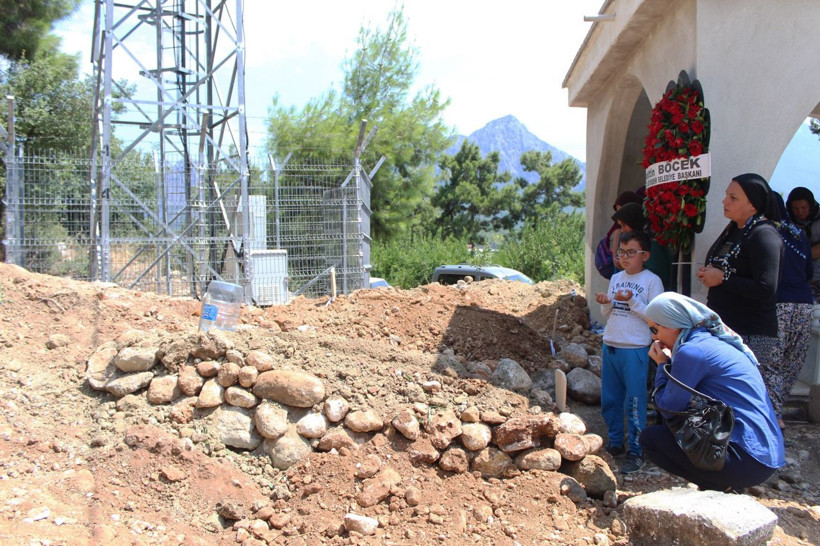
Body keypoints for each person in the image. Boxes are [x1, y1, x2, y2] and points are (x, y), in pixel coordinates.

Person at [640, 292, 785, 492]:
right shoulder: (712, 342)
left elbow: (667, 408)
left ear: (672, 325)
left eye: (654, 329)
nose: (654, 337)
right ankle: (724, 486)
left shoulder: (692, 351)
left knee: (651, 440)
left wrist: (662, 365)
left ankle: (721, 488)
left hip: (748, 458)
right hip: (766, 453)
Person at [595, 230, 664, 474]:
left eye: (631, 252)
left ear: (645, 255)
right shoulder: (616, 278)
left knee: (634, 402)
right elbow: (609, 314)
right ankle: (615, 443)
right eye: (621, 252)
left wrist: (632, 300)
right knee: (610, 400)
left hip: (635, 348)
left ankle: (636, 450)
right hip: (611, 343)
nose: (624, 257)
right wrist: (606, 303)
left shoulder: (652, 280)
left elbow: (655, 317)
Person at [697, 173, 783, 369]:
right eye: (726, 195)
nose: (724, 201)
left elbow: (766, 287)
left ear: (753, 204)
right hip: (724, 326)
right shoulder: (734, 229)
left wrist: (723, 279)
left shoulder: (764, 235)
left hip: (749, 333)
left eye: (733, 198)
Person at [767, 192, 814, 429]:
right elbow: (808, 271)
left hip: (779, 303)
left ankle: (774, 414)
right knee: (792, 362)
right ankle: (777, 410)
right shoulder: (798, 233)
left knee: (772, 362)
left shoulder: (766, 232)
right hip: (805, 303)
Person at [611, 202, 673, 290]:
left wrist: (628, 268)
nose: (622, 230)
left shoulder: (651, 246)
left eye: (624, 225)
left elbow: (657, 277)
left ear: (633, 222)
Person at [786, 186, 820, 301]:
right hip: (798, 278)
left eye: (803, 207)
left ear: (811, 205)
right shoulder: (787, 224)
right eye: (795, 208)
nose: (800, 212)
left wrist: (800, 254)